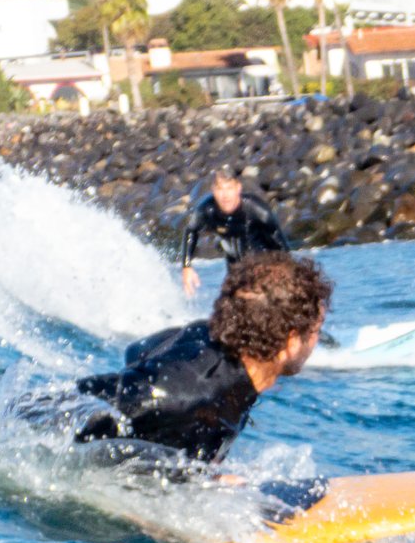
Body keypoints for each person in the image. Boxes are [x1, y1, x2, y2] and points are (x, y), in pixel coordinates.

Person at [71, 252, 333, 463]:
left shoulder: (209, 335)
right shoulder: (189, 395)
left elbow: (137, 350)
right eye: (315, 330)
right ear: (291, 341)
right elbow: (80, 407)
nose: (317, 340)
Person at [177, 169, 289, 298]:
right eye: (220, 189)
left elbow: (279, 241)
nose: (225, 195)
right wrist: (186, 266)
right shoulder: (207, 210)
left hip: (263, 264)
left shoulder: (255, 208)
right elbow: (191, 230)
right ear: (213, 190)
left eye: (229, 188)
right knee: (230, 307)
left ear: (238, 188)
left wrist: (284, 271)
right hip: (235, 268)